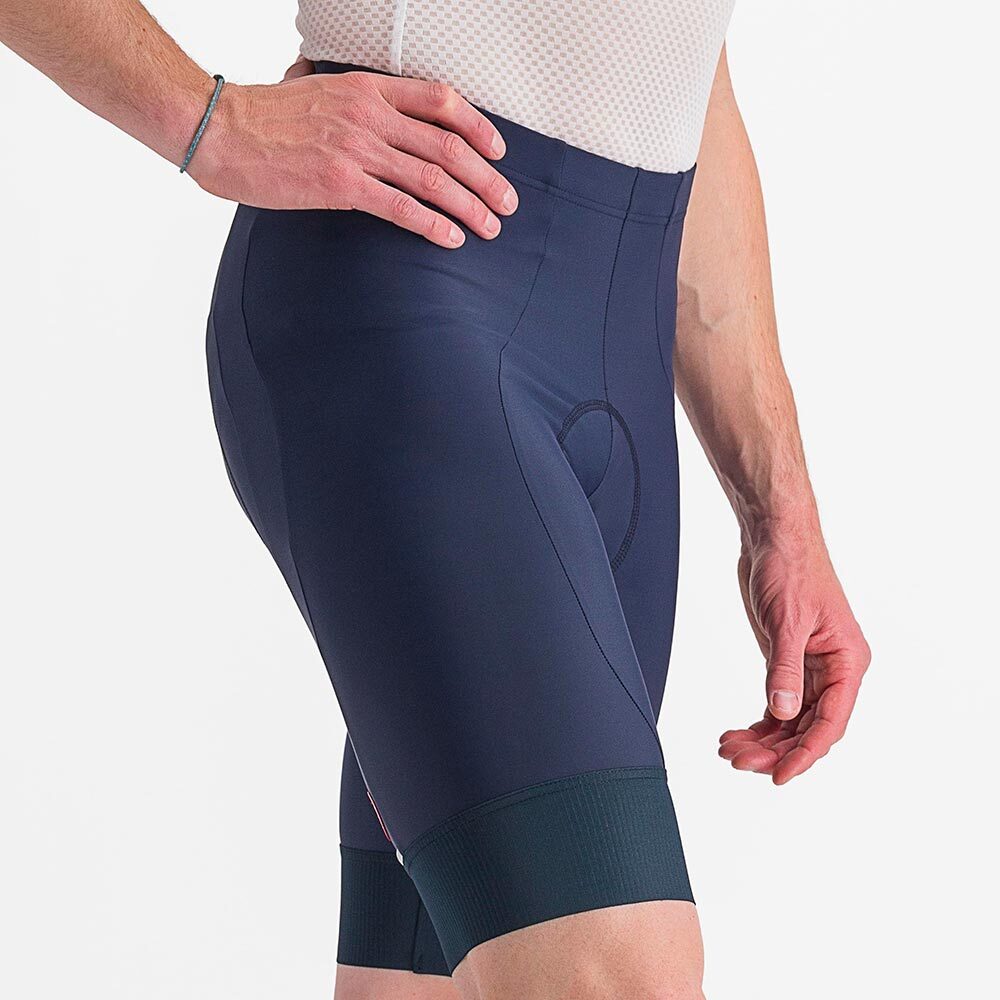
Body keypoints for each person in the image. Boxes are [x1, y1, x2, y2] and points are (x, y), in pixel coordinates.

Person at [1, 3, 871, 998]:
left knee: (438, 981)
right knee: (617, 968)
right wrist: (209, 123)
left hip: (616, 361)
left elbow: (682, 61)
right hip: (408, 298)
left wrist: (780, 509)